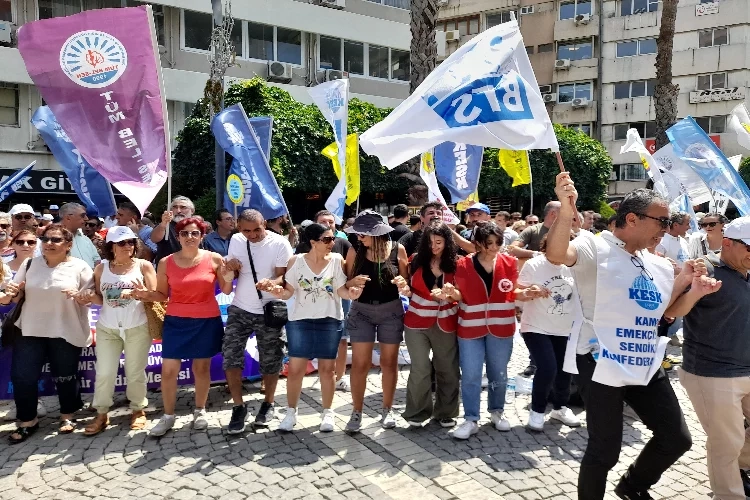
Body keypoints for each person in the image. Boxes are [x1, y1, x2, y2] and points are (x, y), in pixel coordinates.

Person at [545, 178, 693, 499]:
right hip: (600, 360)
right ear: (631, 219)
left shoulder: (656, 263)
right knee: (605, 450)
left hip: (643, 358)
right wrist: (565, 207)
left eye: (669, 222)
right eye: (662, 221)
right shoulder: (594, 246)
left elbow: (667, 312)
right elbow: (557, 253)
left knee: (677, 437)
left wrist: (691, 287)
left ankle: (632, 486)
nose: (667, 229)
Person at [666, 216, 750, 500]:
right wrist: (693, 288)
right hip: (712, 373)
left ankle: (737, 469)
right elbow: (673, 312)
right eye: (749, 247)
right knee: (727, 442)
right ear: (728, 243)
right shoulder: (706, 268)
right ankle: (729, 495)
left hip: (746, 369)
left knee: (735, 443)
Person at [130, 217, 233, 436]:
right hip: (176, 321)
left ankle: (200, 410)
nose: (189, 237)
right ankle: (168, 416)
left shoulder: (214, 259)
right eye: (184, 233)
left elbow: (225, 290)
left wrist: (229, 272)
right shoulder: (166, 261)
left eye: (194, 233)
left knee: (201, 368)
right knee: (168, 370)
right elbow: (161, 294)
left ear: (202, 236)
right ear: (178, 237)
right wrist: (144, 294)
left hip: (206, 320)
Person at [268, 223, 362, 432]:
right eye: (327, 240)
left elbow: (341, 291)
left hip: (329, 319)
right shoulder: (296, 261)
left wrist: (352, 294)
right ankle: (291, 413)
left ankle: (327, 412)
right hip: (300, 320)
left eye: (333, 239)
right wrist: (278, 293)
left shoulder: (337, 260)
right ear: (313, 242)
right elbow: (288, 292)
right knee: (295, 370)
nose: (332, 243)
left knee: (327, 371)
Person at [5, 224, 94, 443]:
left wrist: (84, 297)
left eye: (55, 240)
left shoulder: (80, 267)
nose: (49, 244)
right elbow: (14, 296)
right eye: (45, 239)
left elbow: (92, 296)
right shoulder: (29, 264)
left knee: (65, 375)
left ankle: (67, 414)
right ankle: (27, 421)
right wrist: (12, 292)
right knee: (22, 376)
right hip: (30, 328)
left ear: (68, 245)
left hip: (65, 328)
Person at [77, 227, 157, 436]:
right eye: (122, 243)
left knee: (135, 372)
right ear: (111, 247)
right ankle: (102, 413)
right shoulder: (101, 268)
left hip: (136, 326)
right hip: (108, 328)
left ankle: (138, 409)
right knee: (104, 372)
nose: (128, 246)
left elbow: (157, 295)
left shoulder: (144, 266)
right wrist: (87, 297)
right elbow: (100, 299)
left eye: (131, 242)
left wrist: (142, 294)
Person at [222, 209, 293, 434]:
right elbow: (230, 273)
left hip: (269, 309)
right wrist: (229, 268)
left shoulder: (280, 243)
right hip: (240, 307)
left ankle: (268, 403)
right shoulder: (236, 240)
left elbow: (285, 276)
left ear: (265, 223)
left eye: (257, 230)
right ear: (239, 228)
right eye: (246, 231)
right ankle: (238, 406)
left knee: (271, 360)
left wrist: (271, 282)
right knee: (231, 356)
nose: (252, 235)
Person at [444, 222, 517, 440]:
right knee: (471, 374)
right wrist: (451, 293)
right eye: (489, 244)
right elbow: (457, 294)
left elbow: (513, 291)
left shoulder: (510, 262)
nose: (494, 248)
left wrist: (528, 291)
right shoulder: (462, 264)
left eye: (497, 243)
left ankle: (497, 411)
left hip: (501, 326)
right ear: (478, 244)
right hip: (469, 327)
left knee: (499, 373)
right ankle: (471, 418)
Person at [344, 210, 409, 433]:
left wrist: (404, 285)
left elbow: (407, 284)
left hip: (391, 310)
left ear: (377, 233)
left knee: (389, 363)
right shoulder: (355, 251)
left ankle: (387, 409)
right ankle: (357, 411)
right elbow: (345, 283)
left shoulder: (398, 249)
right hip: (361, 311)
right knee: (360, 364)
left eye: (363, 233)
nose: (358, 236)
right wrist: (352, 284)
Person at [515, 233, 581, 432]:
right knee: (547, 367)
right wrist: (530, 292)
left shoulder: (574, 266)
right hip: (536, 326)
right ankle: (537, 410)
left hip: (565, 328)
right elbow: (517, 294)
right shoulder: (534, 265)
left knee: (564, 369)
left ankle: (560, 407)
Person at [401, 222, 460, 429]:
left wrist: (451, 294)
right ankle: (417, 413)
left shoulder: (457, 264)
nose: (434, 246)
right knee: (420, 368)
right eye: (430, 241)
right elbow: (409, 287)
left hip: (446, 321)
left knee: (448, 369)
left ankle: (446, 412)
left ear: (447, 242)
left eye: (439, 242)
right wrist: (405, 290)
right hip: (416, 321)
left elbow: (463, 294)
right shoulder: (415, 260)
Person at [308, 210, 353, 392]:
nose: (328, 225)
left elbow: (350, 270)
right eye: (323, 221)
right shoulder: (306, 246)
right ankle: (325, 375)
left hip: (340, 298)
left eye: (331, 222)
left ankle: (340, 377)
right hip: (316, 299)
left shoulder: (343, 243)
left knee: (342, 340)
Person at [151, 196, 195, 265]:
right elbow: (154, 238)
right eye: (175, 207)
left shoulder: (196, 226)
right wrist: (163, 224)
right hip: (168, 268)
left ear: (192, 211)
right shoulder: (165, 225)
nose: (178, 211)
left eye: (183, 207)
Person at [59, 203, 100, 269]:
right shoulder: (53, 239)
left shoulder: (86, 239)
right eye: (82, 215)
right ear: (68, 218)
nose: (86, 219)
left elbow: (97, 259)